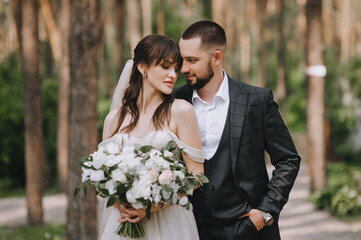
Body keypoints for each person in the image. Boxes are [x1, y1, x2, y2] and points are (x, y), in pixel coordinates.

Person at [174, 20, 301, 240]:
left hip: (249, 229)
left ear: (216, 58)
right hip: (191, 230)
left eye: (192, 60)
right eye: (182, 59)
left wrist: (264, 214)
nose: (183, 68)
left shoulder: (257, 100)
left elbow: (288, 159)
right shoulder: (174, 101)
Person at [99, 34, 205, 239]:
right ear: (142, 67)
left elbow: (197, 176)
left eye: (175, 68)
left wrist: (154, 206)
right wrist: (122, 200)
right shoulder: (113, 120)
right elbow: (103, 179)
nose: (173, 75)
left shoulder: (181, 111)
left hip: (170, 222)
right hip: (122, 222)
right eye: (165, 66)